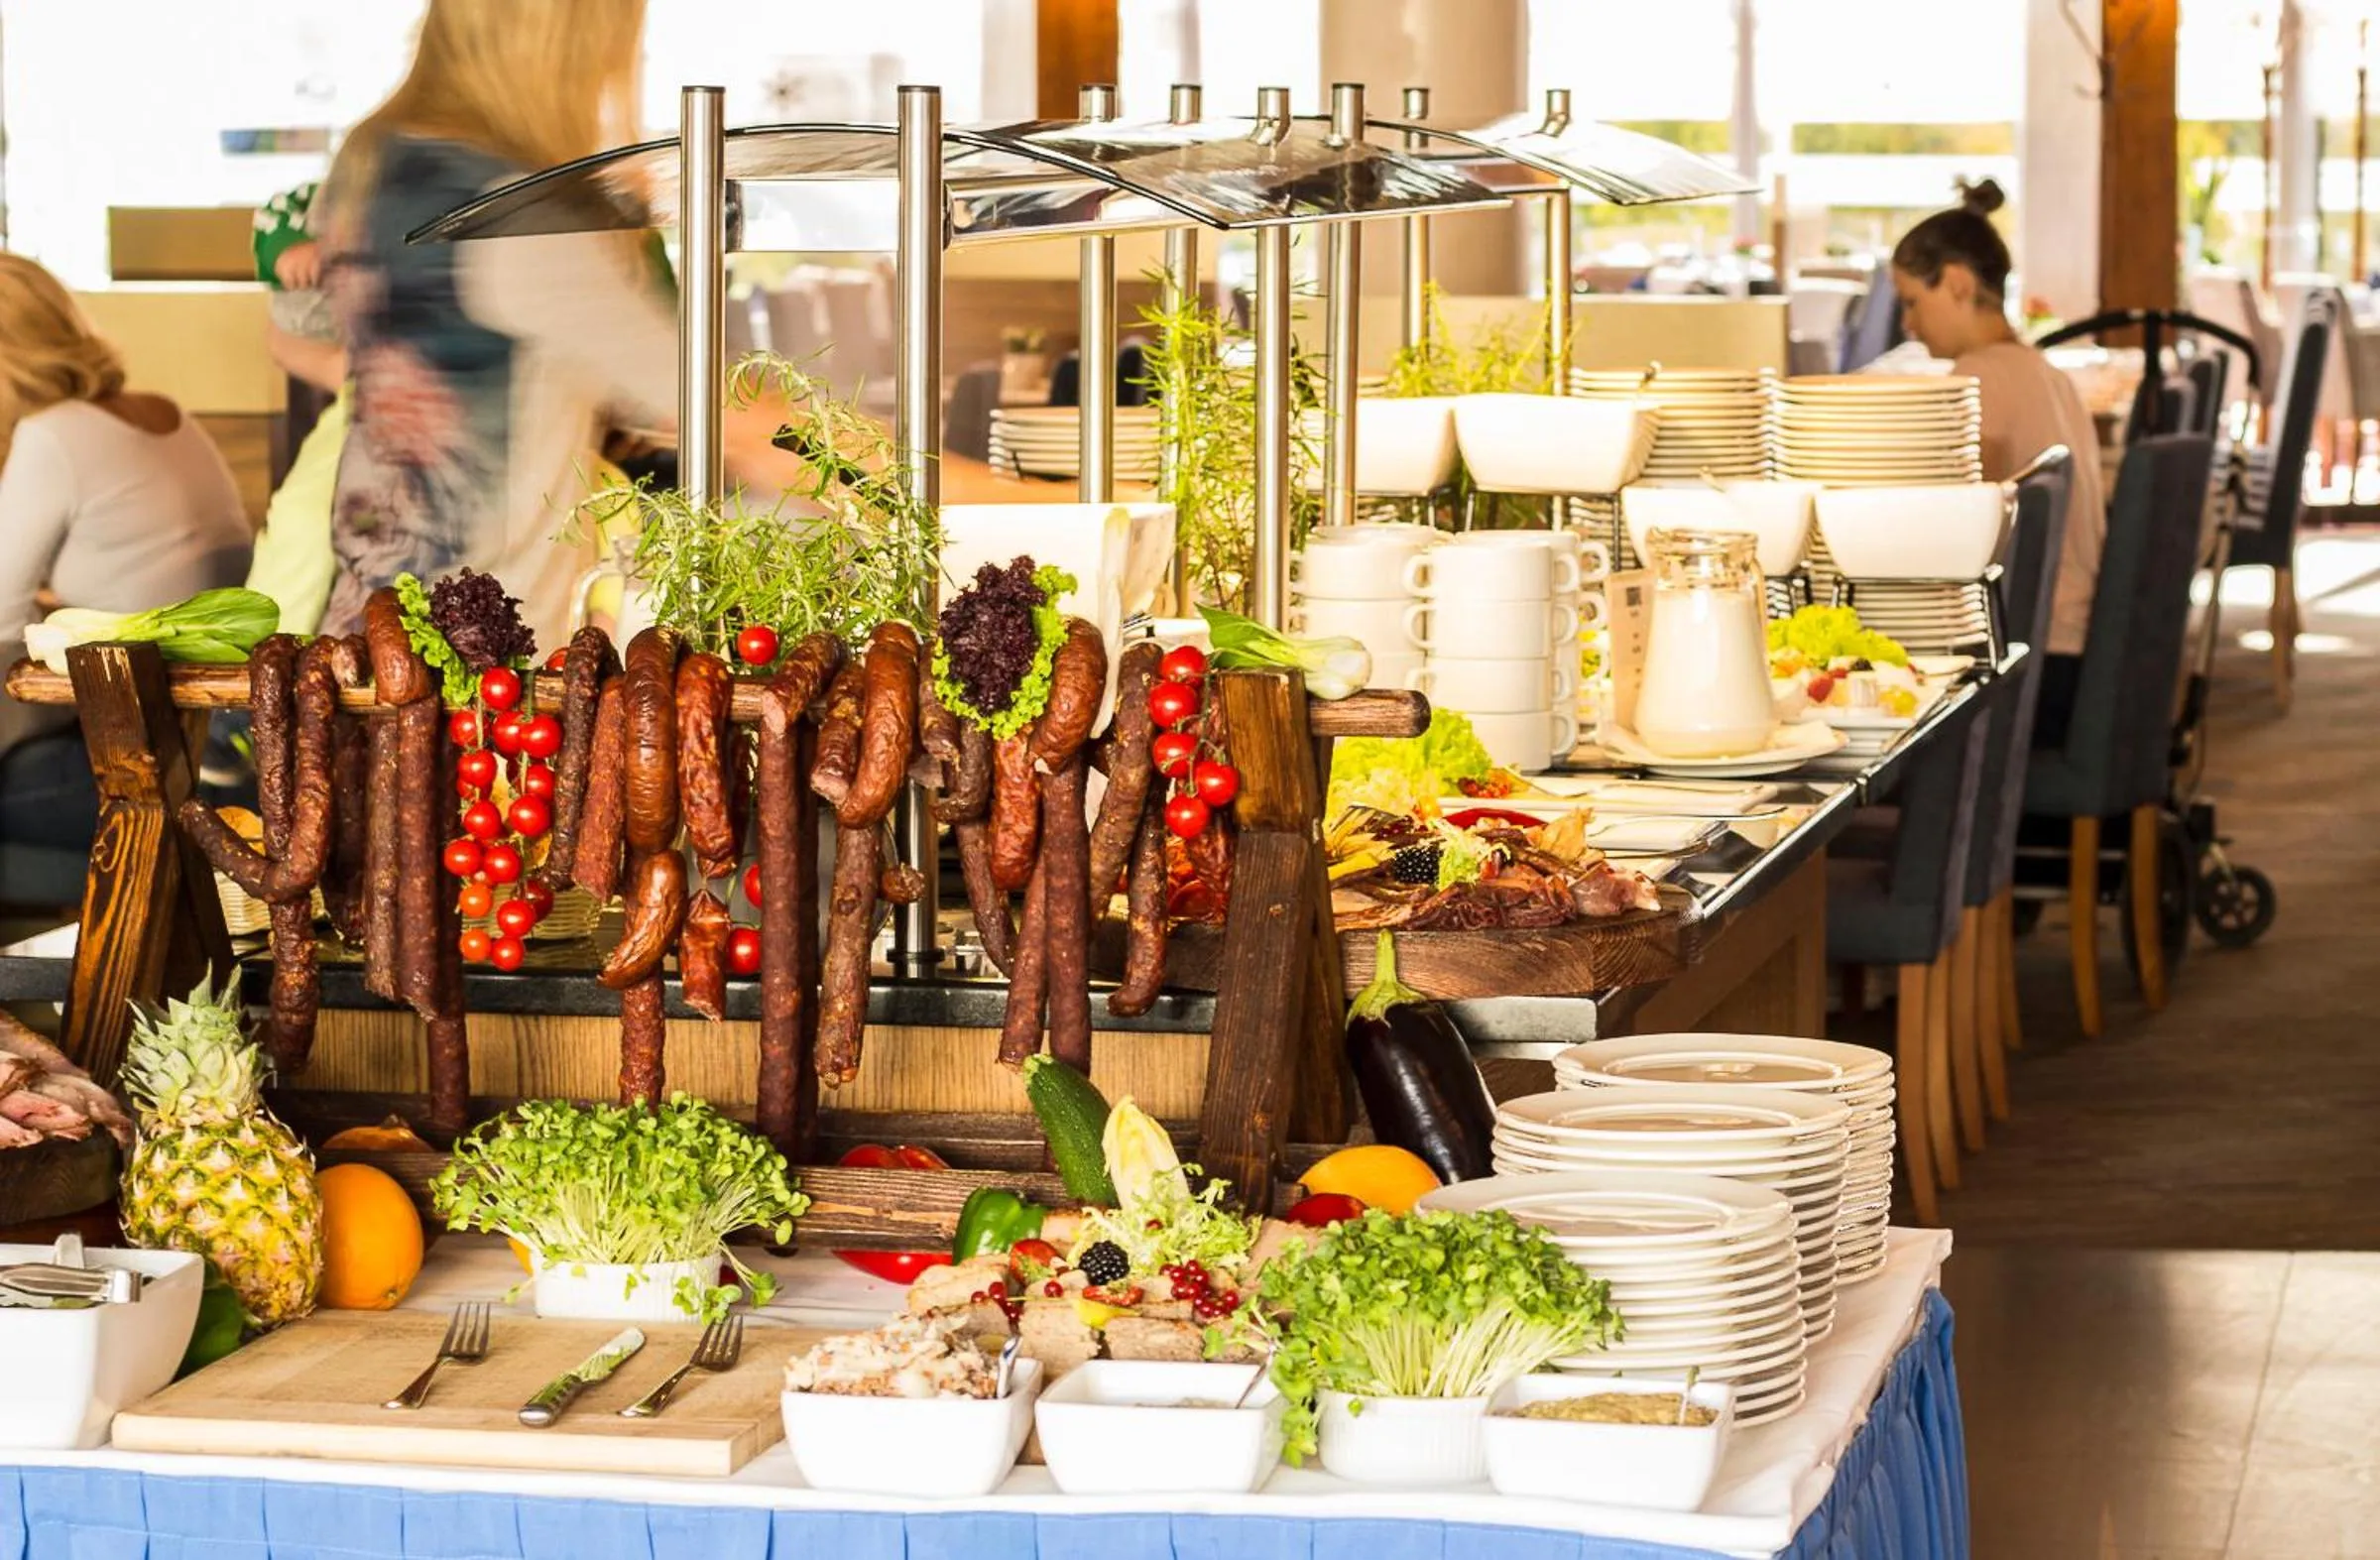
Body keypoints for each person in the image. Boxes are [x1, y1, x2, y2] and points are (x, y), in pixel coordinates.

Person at [317, 0, 804, 652]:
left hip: (366, 628)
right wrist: (940, 491)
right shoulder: (517, 215)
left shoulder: (375, 162)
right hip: (486, 670)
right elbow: (727, 419)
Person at [0, 254, 252, 883]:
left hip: (148, 756)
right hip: (222, 739)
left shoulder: (52, 434)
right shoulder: (164, 413)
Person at [1891, 179, 2105, 745]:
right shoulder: (2049, 374)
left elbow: (1950, 532)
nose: (1907, 324)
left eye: (1912, 300)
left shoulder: (1979, 378)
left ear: (1958, 284)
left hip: (2038, 670)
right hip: (2084, 660)